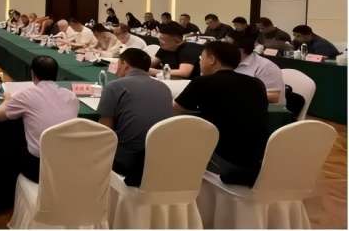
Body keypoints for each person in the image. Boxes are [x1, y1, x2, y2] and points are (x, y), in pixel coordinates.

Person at [174, 41, 269, 186]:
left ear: (212, 60)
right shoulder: (256, 84)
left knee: (176, 146)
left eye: (201, 58)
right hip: (258, 161)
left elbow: (177, 108)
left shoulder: (202, 82)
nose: (200, 62)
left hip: (224, 161)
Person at [0, 56, 79, 183]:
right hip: (68, 165)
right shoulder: (71, 96)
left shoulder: (26, 95)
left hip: (38, 169)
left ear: (33, 74)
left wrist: (7, 99)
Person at [98, 48, 173, 186]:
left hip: (128, 163)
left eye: (118, 64)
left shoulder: (114, 86)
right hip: (161, 159)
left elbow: (104, 132)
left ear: (124, 65)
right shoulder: (164, 88)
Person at [232, 36, 285, 104]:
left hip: (264, 108)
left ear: (240, 50)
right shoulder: (226, 63)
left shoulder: (266, 66)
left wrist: (238, 94)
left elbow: (274, 97)